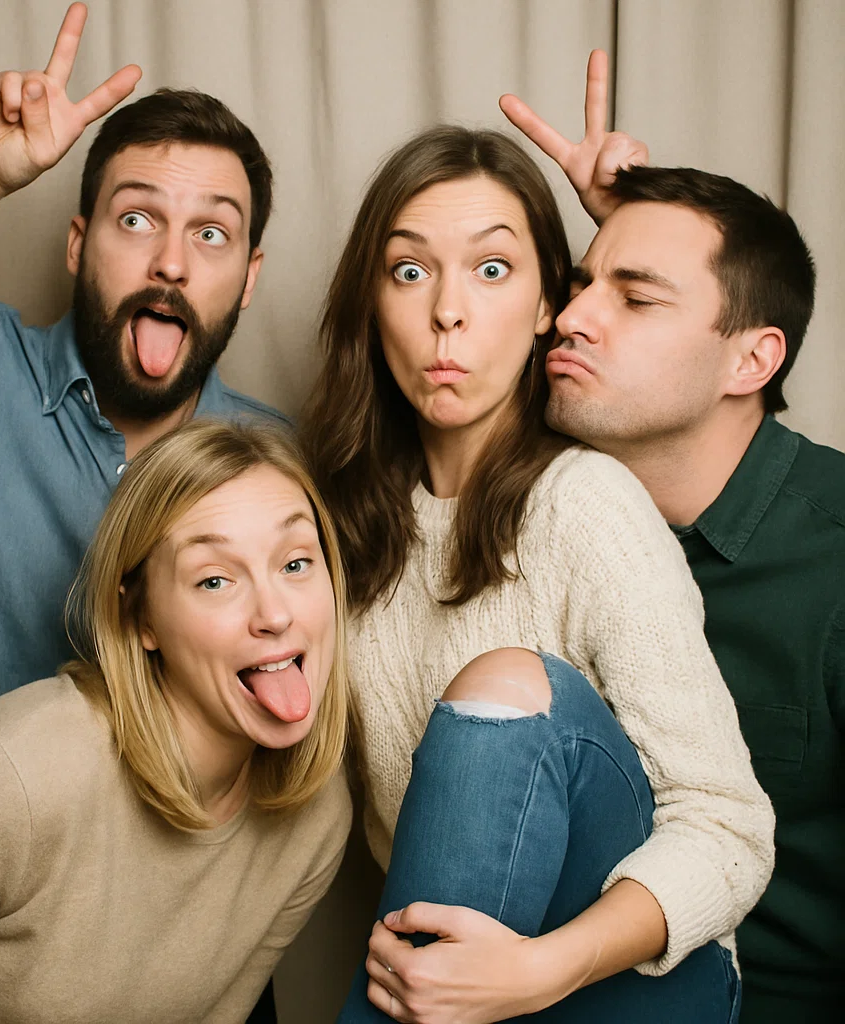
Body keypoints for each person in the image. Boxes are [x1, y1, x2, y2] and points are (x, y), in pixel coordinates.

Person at [301, 113, 774, 1021]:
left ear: (545, 307)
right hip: (457, 973)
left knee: (506, 681)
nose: (448, 309)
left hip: (623, 979)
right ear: (373, 304)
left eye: (491, 269)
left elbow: (728, 829)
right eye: (410, 270)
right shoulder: (340, 530)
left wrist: (542, 969)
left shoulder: (585, 504)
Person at [0, 3, 288, 858]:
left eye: (211, 233)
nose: (171, 262)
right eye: (138, 219)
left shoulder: (280, 474)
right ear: (78, 244)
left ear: (250, 277)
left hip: (116, 945)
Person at [503, 51, 844, 1024]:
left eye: (633, 297)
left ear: (752, 357)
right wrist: (627, 227)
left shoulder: (834, 549)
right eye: (576, 285)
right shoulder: (553, 518)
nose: (568, 317)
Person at [0, 420, 351, 1023]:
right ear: (141, 617)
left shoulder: (318, 817)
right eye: (214, 579)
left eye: (297, 563)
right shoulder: (4, 787)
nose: (275, 613)